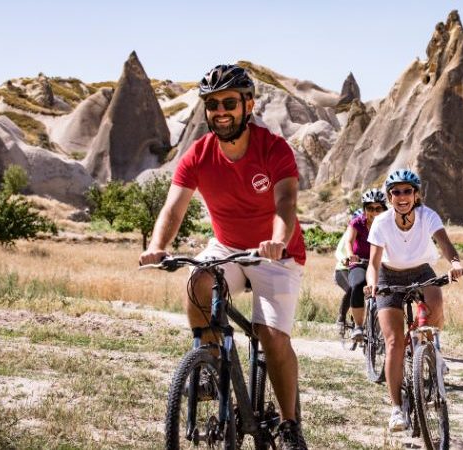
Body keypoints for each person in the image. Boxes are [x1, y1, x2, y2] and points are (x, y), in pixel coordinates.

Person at [138, 64, 307, 449]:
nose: (220, 111)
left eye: (229, 102)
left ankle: (289, 424)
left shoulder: (273, 149)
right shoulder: (198, 154)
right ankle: (210, 363)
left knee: (271, 336)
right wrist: (157, 246)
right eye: (212, 105)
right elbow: (174, 208)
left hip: (276, 253)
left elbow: (286, 202)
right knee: (197, 280)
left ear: (249, 104)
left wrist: (276, 240)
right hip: (228, 247)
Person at [364, 169, 463, 432]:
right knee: (394, 343)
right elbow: (373, 263)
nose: (402, 196)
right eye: (396, 192)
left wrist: (454, 263)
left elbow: (444, 243)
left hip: (422, 271)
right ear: (389, 197)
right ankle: (397, 409)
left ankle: (433, 352)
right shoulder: (382, 223)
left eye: (407, 191)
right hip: (388, 276)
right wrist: (372, 283)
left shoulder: (427, 216)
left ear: (416, 194)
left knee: (436, 304)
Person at [341, 189, 387, 341]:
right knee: (358, 285)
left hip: (380, 263)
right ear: (364, 208)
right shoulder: (357, 223)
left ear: (383, 208)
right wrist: (350, 255)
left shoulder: (388, 223)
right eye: (370, 208)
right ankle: (358, 327)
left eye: (378, 208)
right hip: (359, 262)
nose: (374, 212)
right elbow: (349, 240)